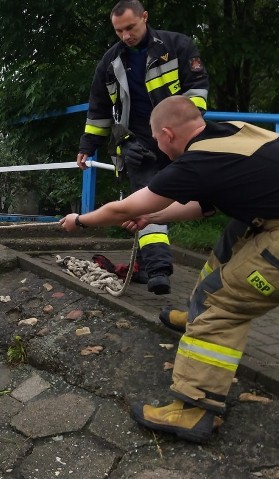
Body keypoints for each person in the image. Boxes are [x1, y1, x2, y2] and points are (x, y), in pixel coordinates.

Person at [60, 96, 279, 443]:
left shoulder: (198, 160)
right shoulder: (230, 134)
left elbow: (122, 209)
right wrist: (152, 217)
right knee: (231, 240)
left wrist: (80, 221)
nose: (159, 147)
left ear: (167, 134)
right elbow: (201, 206)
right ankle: (197, 316)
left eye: (157, 140)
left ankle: (194, 409)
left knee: (221, 301)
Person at [76, 0, 209, 296]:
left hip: (179, 140)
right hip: (136, 144)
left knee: (203, 196)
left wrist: (184, 133)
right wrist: (88, 146)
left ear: (144, 18)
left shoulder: (178, 46)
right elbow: (99, 110)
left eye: (130, 28)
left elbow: (197, 94)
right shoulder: (110, 63)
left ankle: (154, 267)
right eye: (119, 30)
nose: (125, 35)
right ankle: (158, 269)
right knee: (145, 202)